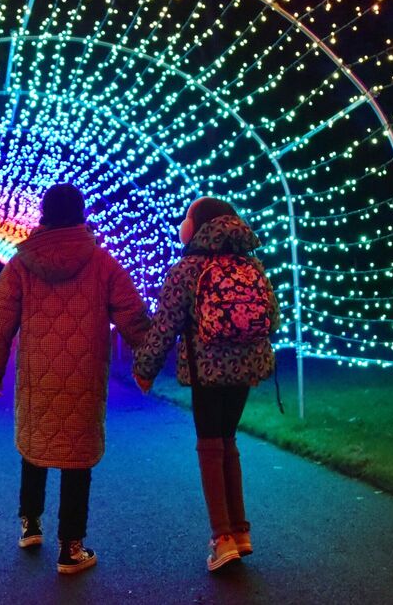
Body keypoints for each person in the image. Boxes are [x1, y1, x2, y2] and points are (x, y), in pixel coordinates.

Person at [0, 184, 150, 575]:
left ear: (44, 215)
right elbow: (133, 316)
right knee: (77, 457)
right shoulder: (102, 262)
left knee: (34, 446)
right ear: (81, 214)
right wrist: (149, 361)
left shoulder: (21, 264)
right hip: (83, 378)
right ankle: (71, 548)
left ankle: (30, 525)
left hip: (37, 375)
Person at [132, 197, 279, 572]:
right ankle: (240, 531)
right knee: (227, 441)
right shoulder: (250, 264)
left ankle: (222, 538)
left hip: (207, 371)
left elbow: (165, 326)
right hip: (246, 368)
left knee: (210, 446)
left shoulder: (187, 269)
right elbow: (272, 316)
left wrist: (146, 368)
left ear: (196, 226)